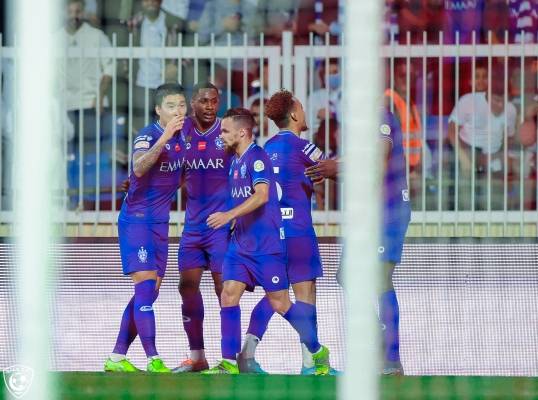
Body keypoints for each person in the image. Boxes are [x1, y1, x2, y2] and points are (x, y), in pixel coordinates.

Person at [202, 108, 332, 375]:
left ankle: (317, 351)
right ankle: (229, 362)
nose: (220, 135)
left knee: (280, 303)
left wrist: (229, 215)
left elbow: (261, 195)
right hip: (240, 244)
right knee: (228, 294)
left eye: (225, 131)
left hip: (266, 246)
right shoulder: (235, 161)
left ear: (242, 132)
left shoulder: (258, 157)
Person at [237, 90, 337, 375]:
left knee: (274, 295)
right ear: (294, 114)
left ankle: (247, 353)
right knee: (305, 297)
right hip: (298, 233)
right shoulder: (303, 148)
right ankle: (311, 363)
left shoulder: (265, 148)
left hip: (271, 233)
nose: (304, 112)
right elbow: (330, 169)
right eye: (301, 108)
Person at [305, 110, 411, 375]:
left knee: (380, 278)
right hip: (367, 212)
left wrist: (336, 167)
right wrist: (331, 170)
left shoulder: (381, 117)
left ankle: (391, 358)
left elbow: (377, 164)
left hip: (388, 209)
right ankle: (380, 340)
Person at [104, 83, 187, 373]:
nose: (178, 111)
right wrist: (165, 137)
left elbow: (183, 175)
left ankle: (116, 358)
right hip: (137, 220)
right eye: (171, 106)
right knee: (146, 286)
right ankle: (153, 359)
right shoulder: (148, 135)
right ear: (158, 110)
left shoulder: (185, 138)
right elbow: (139, 167)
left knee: (149, 293)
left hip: (160, 224)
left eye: (181, 105)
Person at [173, 82, 232, 373]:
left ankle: (230, 358)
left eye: (214, 101)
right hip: (193, 227)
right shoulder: (181, 130)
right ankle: (197, 357)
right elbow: (171, 169)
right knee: (186, 287)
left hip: (220, 226)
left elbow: (245, 168)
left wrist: (236, 216)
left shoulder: (227, 130)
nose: (210, 106)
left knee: (225, 290)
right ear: (192, 103)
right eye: (204, 101)